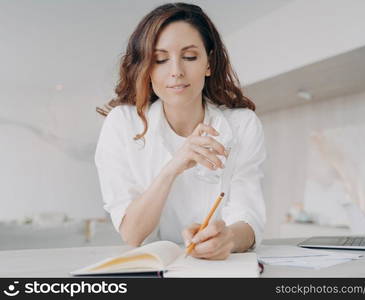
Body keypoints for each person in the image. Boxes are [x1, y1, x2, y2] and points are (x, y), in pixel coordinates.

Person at [95, 2, 266, 260]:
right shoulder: (122, 123)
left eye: (189, 57)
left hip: (219, 270)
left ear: (209, 63)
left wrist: (227, 239)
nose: (176, 72)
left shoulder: (243, 124)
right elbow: (132, 233)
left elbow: (249, 217)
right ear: (147, 69)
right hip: (152, 269)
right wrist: (173, 166)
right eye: (160, 60)